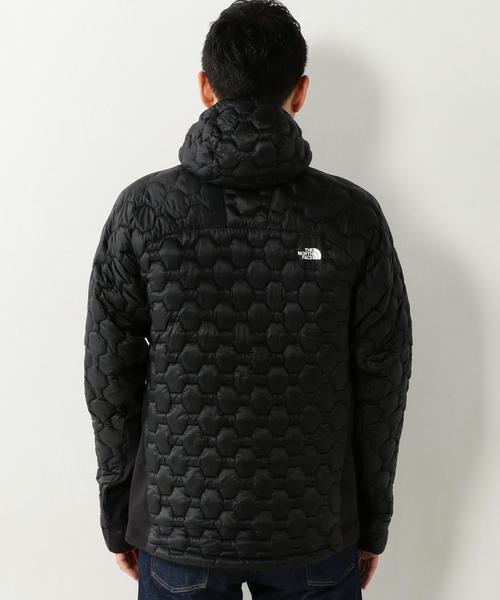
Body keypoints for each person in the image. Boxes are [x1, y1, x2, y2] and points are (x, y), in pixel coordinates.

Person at [83, 1, 413, 598]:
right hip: (315, 531)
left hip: (178, 533)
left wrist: (119, 517)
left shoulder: (142, 211)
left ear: (205, 87)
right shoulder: (353, 218)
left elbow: (110, 378)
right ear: (301, 92)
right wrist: (371, 522)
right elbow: (382, 383)